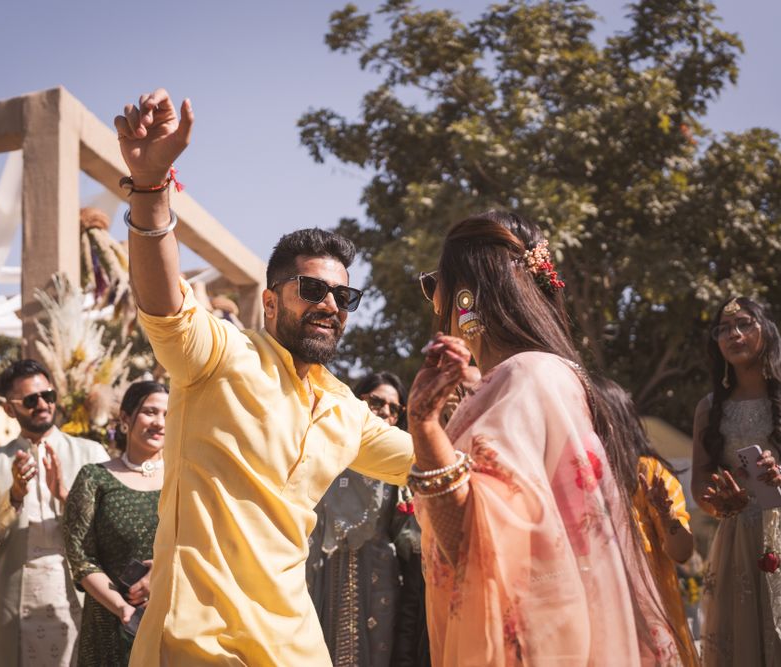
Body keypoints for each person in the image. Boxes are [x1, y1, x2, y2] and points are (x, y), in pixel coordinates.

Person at [113, 89, 414, 666]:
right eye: (312, 290)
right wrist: (150, 188)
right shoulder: (220, 355)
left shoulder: (346, 410)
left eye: (343, 295)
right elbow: (163, 302)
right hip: (196, 645)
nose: (330, 303)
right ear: (271, 303)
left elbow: (432, 460)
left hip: (295, 647)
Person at [407, 210, 678, 665]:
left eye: (437, 285)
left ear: (466, 295)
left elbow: (474, 540)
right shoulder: (555, 373)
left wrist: (424, 425)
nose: (436, 304)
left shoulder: (523, 377)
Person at [0, 359, 109, 667]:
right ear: (9, 409)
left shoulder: (91, 454)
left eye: (48, 395)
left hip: (76, 596)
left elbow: (107, 529)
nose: (43, 405)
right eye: (31, 400)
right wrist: (14, 496)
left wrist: (64, 494)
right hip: (13, 600)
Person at [691, 296, 781, 665]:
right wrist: (718, 500)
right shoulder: (709, 408)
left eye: (745, 323)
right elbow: (699, 482)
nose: (734, 334)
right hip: (736, 540)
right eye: (724, 329)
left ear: (767, 331)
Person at [306, 371, 411, 667]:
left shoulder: (401, 465)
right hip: (317, 569)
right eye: (377, 402)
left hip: (376, 576)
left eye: (395, 409)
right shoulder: (325, 448)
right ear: (357, 400)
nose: (386, 412)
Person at [593, 377, 699, 666]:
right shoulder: (576, 476)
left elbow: (682, 552)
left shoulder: (649, 473)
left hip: (650, 619)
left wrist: (667, 518)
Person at [64, 380, 167, 667]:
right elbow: (81, 557)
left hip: (174, 618)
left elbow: (204, 544)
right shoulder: (94, 479)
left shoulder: (183, 480)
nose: (160, 422)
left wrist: (164, 573)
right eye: (150, 412)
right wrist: (123, 609)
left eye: (168, 415)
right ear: (125, 418)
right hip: (108, 625)